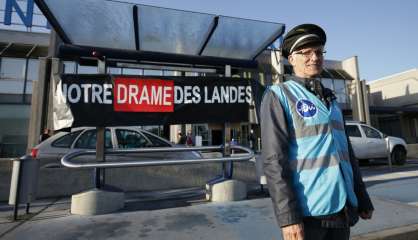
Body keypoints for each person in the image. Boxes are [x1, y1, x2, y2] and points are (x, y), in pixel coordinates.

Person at [260, 24, 374, 240]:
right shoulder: (279, 95)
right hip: (308, 213)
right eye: (306, 53)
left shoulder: (331, 100)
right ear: (291, 59)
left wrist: (361, 197)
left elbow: (347, 155)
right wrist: (289, 218)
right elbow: (274, 162)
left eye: (319, 51)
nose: (314, 57)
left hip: (342, 208)